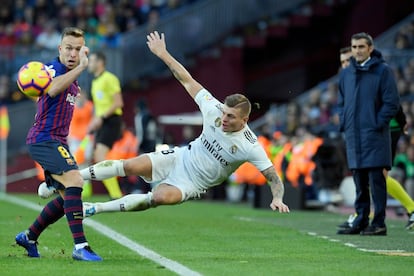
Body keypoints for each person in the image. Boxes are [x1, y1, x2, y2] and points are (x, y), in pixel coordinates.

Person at [79, 31, 290, 217]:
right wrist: (163, 54)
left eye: (231, 117)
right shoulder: (213, 109)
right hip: (180, 157)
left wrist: (277, 198)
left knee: (158, 198)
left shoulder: (250, 145)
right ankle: (73, 178)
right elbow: (186, 79)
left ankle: (94, 209)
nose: (224, 119)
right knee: (130, 165)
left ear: (245, 120)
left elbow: (273, 177)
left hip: (193, 183)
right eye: (224, 113)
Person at [15, 27, 102, 261]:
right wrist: (83, 67)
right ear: (60, 49)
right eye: (68, 48)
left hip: (55, 141)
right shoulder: (53, 69)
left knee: (67, 196)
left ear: (83, 49)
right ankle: (81, 247)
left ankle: (29, 236)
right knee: (75, 180)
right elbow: (52, 88)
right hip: (44, 139)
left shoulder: (73, 81)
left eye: (78, 49)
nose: (73, 54)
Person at [337, 46, 414, 230]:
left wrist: (401, 120)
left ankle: (409, 209)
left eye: (348, 60)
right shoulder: (351, 77)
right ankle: (362, 214)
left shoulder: (374, 72)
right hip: (367, 130)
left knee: (377, 175)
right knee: (371, 175)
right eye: (342, 62)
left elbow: (391, 99)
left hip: (386, 129)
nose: (345, 64)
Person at [87, 51, 124, 199]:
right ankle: (115, 194)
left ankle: (116, 195)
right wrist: (94, 121)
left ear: (100, 62)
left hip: (112, 120)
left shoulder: (110, 78)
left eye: (92, 61)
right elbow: (99, 106)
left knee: (100, 156)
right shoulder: (95, 82)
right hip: (102, 121)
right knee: (98, 157)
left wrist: (101, 117)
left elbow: (118, 103)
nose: (89, 64)